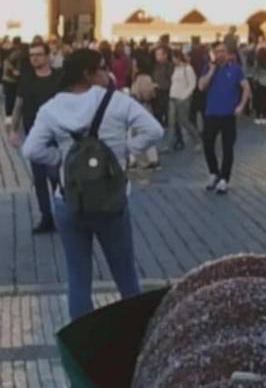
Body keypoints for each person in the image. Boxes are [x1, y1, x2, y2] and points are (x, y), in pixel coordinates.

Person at [22, 48, 163, 320]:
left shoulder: (51, 108)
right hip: (112, 200)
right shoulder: (116, 101)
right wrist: (126, 152)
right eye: (100, 68)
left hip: (69, 201)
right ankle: (135, 334)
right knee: (126, 276)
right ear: (87, 73)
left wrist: (61, 159)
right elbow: (154, 130)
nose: (105, 73)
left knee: (78, 278)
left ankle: (82, 342)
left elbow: (31, 150)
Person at [9, 41, 63, 233]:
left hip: (57, 135)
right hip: (34, 135)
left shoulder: (59, 78)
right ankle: (46, 217)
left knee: (57, 177)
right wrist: (13, 130)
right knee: (39, 179)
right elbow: (19, 105)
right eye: (32, 55)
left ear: (48, 56)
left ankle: (62, 215)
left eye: (39, 54)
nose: (35, 58)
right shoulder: (27, 79)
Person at [198, 41, 250, 195]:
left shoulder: (235, 69)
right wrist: (211, 72)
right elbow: (201, 86)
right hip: (211, 113)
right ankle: (214, 172)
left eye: (222, 51)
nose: (220, 54)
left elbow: (246, 87)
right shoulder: (208, 68)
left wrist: (241, 105)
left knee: (228, 148)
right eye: (217, 51)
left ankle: (224, 179)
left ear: (228, 54)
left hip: (228, 115)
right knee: (207, 144)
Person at [165, 49, 200, 152]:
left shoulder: (188, 69)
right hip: (173, 97)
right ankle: (169, 144)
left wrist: (184, 96)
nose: (173, 60)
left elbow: (192, 84)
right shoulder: (175, 69)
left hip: (182, 99)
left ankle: (197, 140)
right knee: (171, 122)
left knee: (184, 121)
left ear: (178, 57)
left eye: (174, 58)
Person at [251, 46, 266, 126]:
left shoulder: (256, 62)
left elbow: (254, 73)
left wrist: (255, 81)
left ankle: (258, 117)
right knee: (264, 101)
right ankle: (264, 118)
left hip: (258, 83)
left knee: (258, 101)